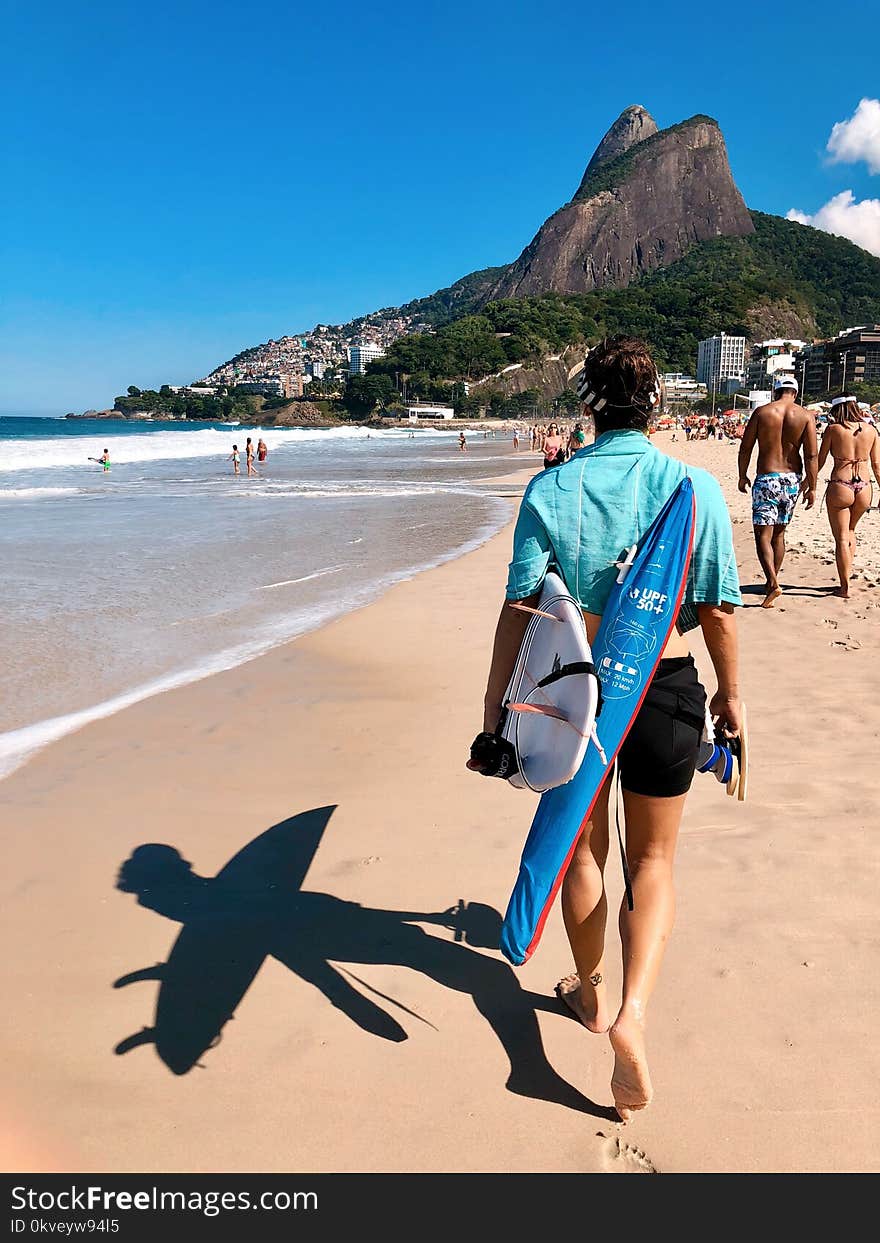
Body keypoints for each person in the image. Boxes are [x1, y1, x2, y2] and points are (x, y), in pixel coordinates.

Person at [468, 336, 742, 1121]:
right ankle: (634, 1013)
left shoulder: (551, 489)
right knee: (652, 858)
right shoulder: (690, 486)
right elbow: (717, 610)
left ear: (587, 402)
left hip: (576, 700)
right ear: (656, 404)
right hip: (668, 684)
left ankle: (587, 994)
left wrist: (495, 707)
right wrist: (734, 697)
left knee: (583, 847)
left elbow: (522, 609)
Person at [737, 377, 818, 608]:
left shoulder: (762, 412)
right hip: (791, 480)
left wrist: (742, 475)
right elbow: (812, 456)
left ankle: (772, 583)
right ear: (795, 392)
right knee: (779, 535)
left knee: (762, 535)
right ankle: (771, 579)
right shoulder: (805, 416)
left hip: (767, 478)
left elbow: (746, 448)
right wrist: (812, 487)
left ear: (776, 391)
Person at [817, 394, 880, 598]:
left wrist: (807, 484)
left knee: (842, 538)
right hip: (865, 486)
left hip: (841, 485)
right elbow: (877, 465)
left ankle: (844, 587)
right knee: (851, 530)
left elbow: (819, 461)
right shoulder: (871, 430)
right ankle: (847, 575)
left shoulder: (833, 430)